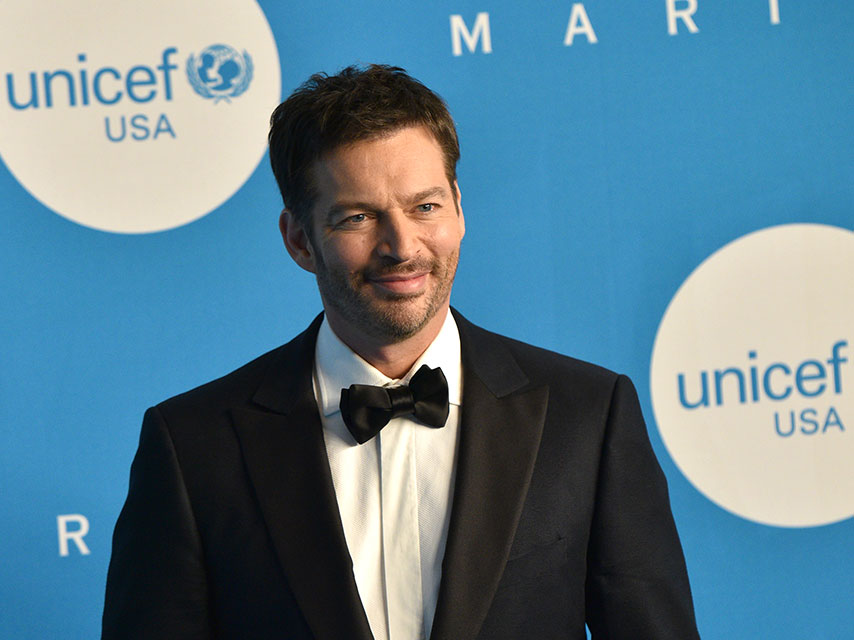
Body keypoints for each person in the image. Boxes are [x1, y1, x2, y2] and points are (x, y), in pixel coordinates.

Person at [102, 64, 700, 640]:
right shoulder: (193, 446)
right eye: (358, 217)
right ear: (298, 240)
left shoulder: (588, 415)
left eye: (425, 207)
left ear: (459, 209)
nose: (401, 245)